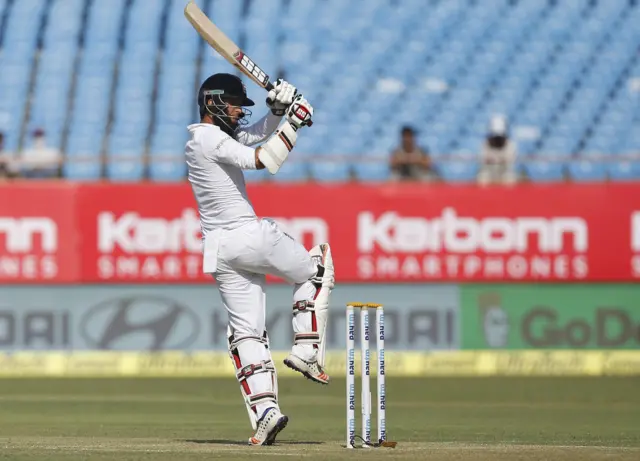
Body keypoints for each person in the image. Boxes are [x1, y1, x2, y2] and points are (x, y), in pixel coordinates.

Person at [184, 73, 334, 446]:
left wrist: (276, 113)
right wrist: (294, 122)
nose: (238, 112)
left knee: (246, 332)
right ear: (214, 102)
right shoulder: (209, 138)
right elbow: (264, 159)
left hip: (220, 251)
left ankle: (266, 412)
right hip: (250, 237)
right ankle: (306, 351)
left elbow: (248, 137)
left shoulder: (204, 140)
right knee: (317, 269)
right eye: (234, 105)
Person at [477, 114, 517, 185]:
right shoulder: (486, 144)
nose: (497, 139)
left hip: (504, 171)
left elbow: (510, 159)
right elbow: (483, 159)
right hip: (490, 171)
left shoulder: (510, 144)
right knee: (483, 177)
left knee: (510, 177)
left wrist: (497, 159)